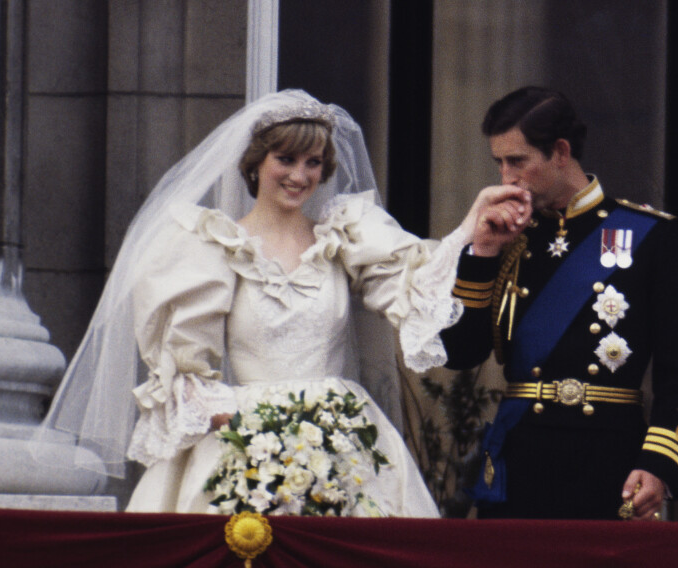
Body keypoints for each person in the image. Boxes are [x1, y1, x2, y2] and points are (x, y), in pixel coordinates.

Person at [34, 89, 529, 517]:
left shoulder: (345, 237)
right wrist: (247, 435)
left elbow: (415, 287)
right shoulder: (211, 246)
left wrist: (470, 234)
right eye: (286, 160)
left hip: (346, 438)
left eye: (313, 163)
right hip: (245, 438)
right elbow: (188, 368)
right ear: (255, 164)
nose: (300, 175)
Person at [440, 86, 678, 520]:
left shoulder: (650, 236)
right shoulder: (504, 237)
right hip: (520, 460)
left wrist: (657, 464)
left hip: (609, 460)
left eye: (517, 161)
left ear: (560, 152)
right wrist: (481, 255)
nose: (506, 177)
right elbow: (459, 353)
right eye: (499, 163)